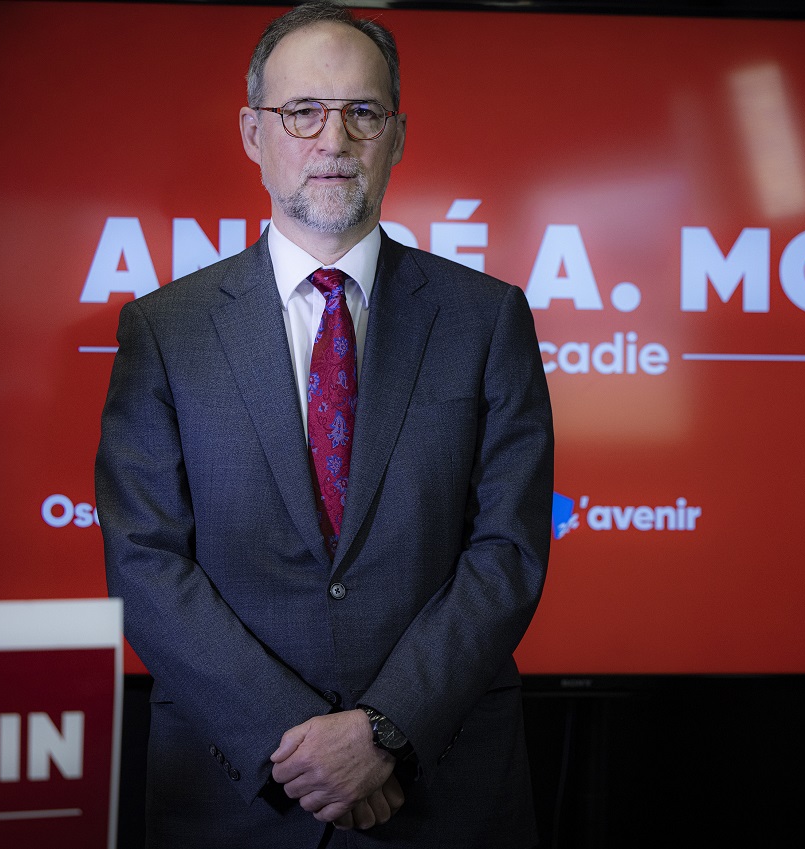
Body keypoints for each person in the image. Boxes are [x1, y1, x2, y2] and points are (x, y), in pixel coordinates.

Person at [94, 2, 554, 847]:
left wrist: (382, 730)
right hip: (235, 789)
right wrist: (303, 745)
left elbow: (508, 551)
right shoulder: (166, 328)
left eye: (362, 112)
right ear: (251, 132)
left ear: (398, 135)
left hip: (442, 787)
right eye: (301, 111)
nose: (332, 139)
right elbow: (145, 559)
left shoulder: (487, 318)